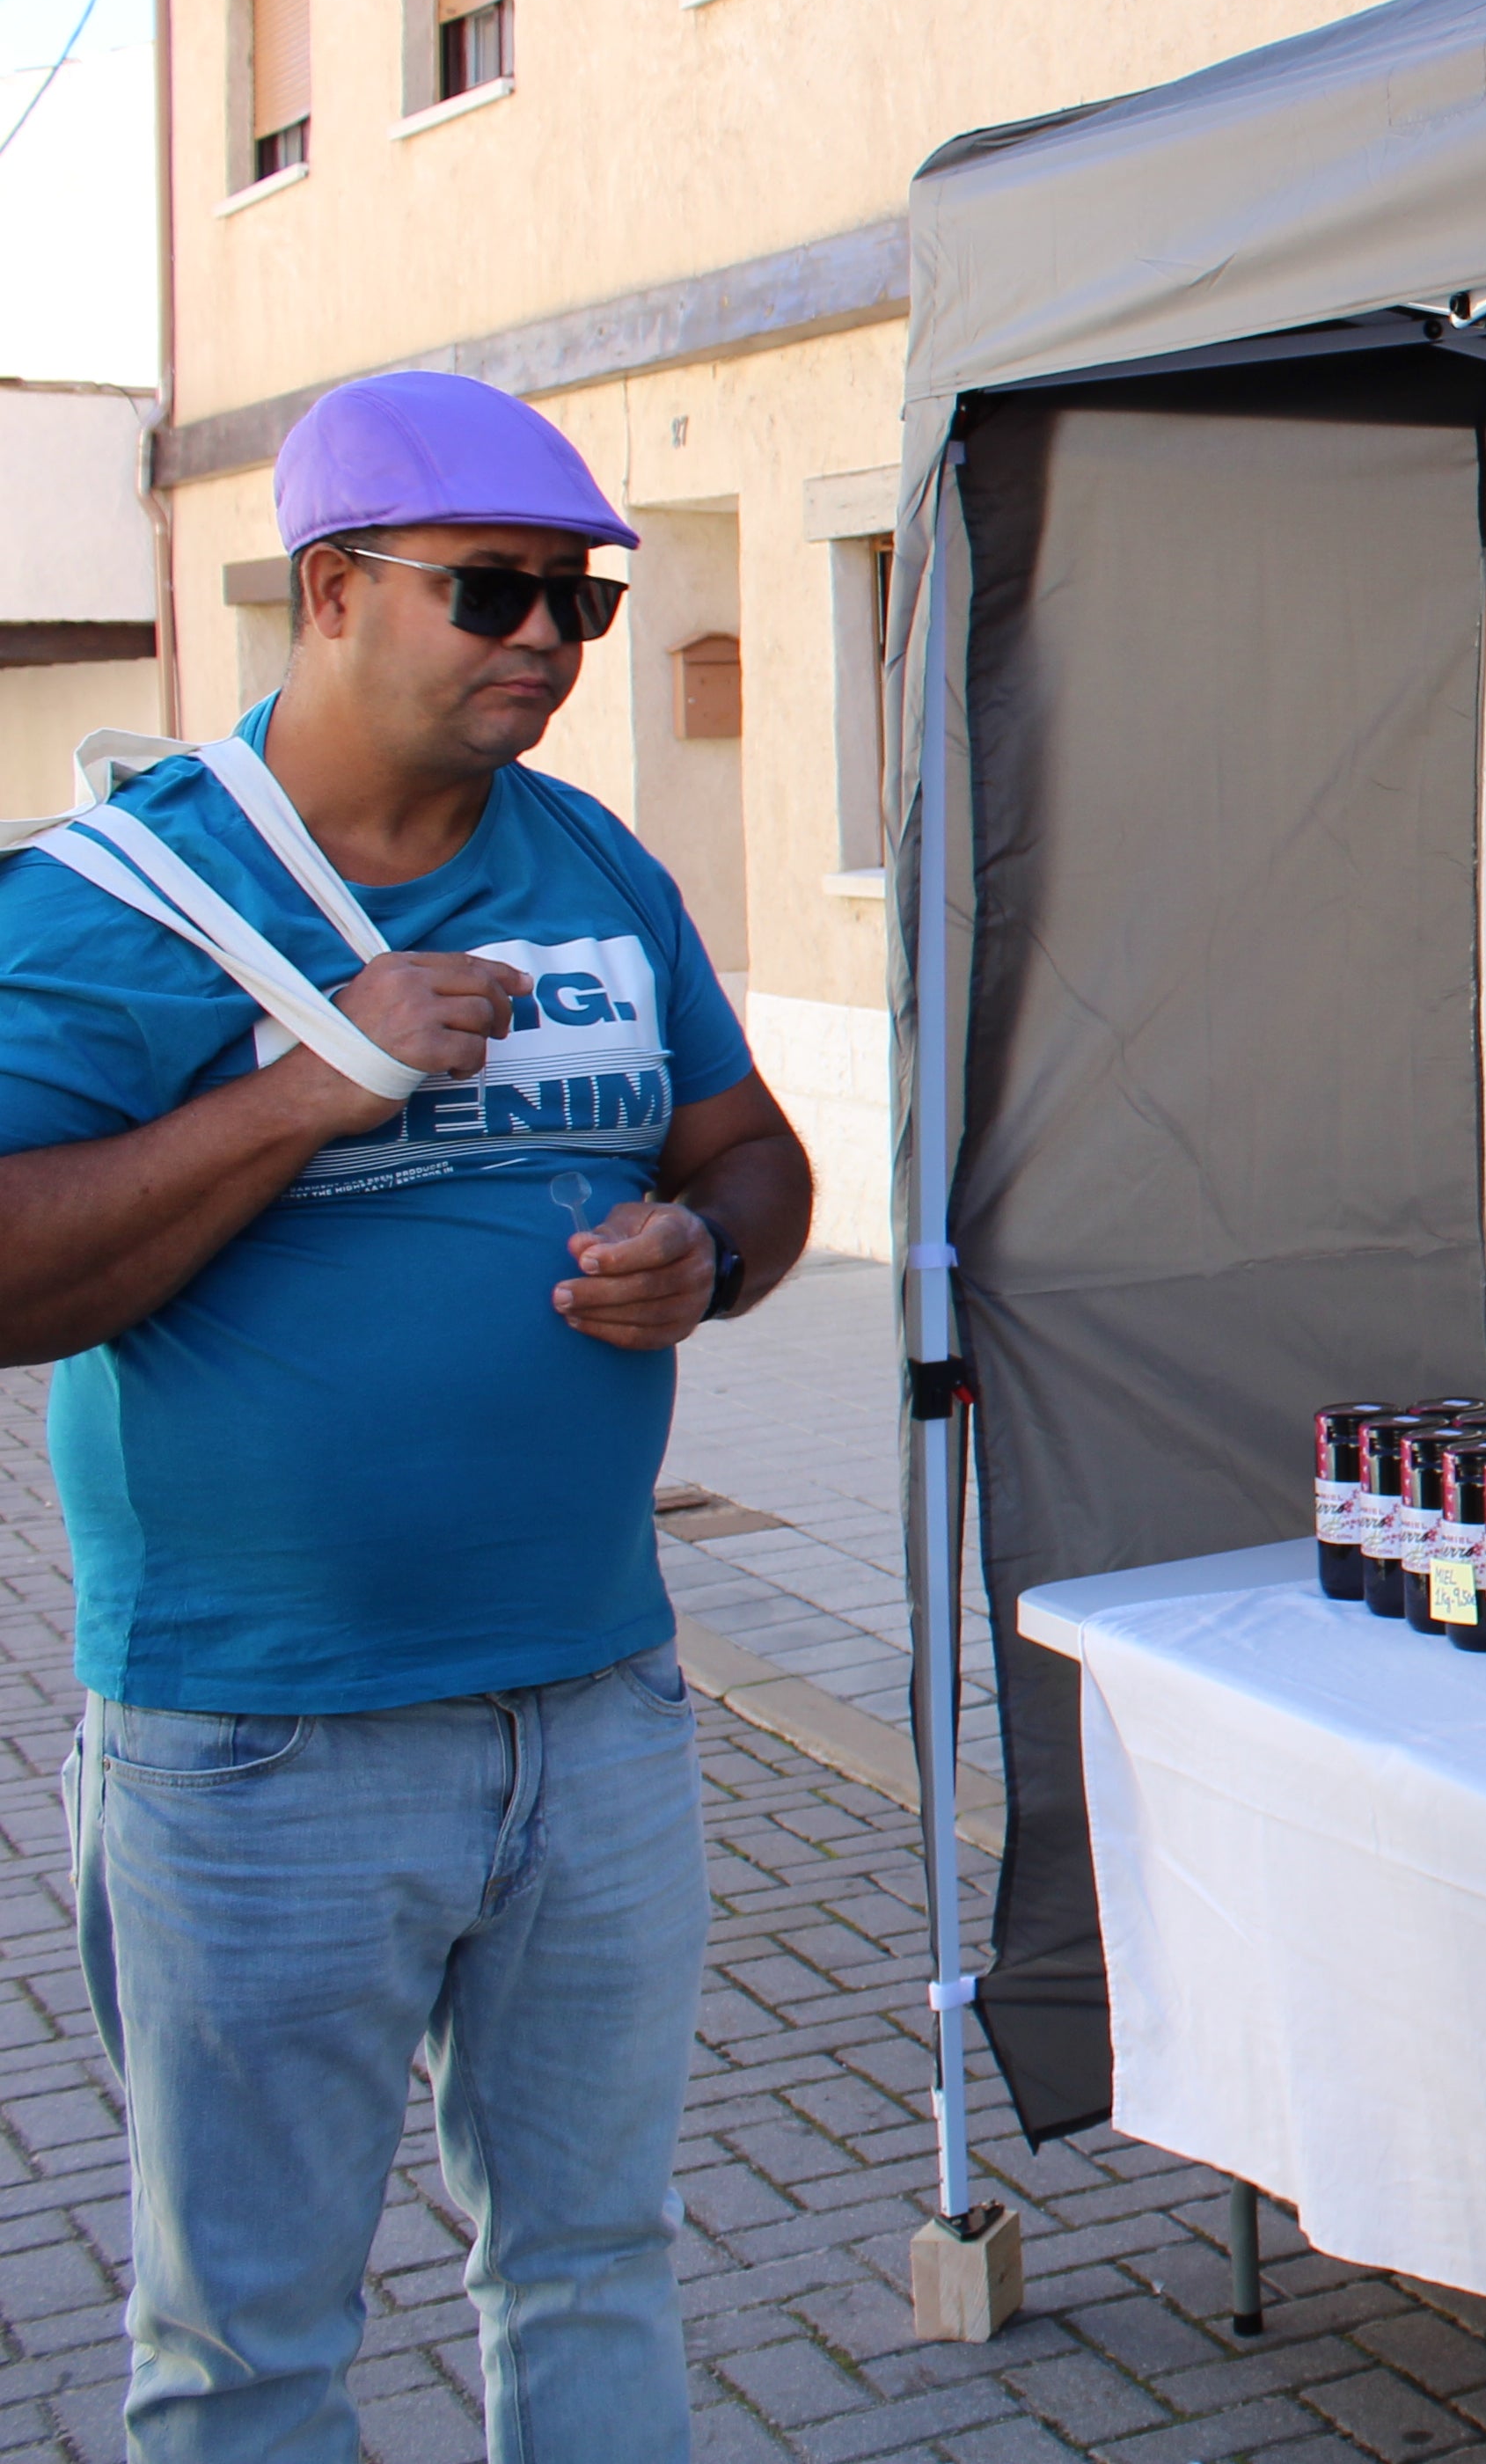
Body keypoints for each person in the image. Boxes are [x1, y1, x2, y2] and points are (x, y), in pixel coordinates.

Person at [0, 372, 812, 2461]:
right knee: (251, 2345)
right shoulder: (121, 899)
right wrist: (313, 1083)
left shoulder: (597, 865)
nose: (546, 639)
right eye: (495, 593)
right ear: (335, 591)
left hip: (601, 1706)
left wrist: (707, 1259)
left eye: (581, 604)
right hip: (264, 1744)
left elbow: (760, 1155)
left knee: (596, 2264)